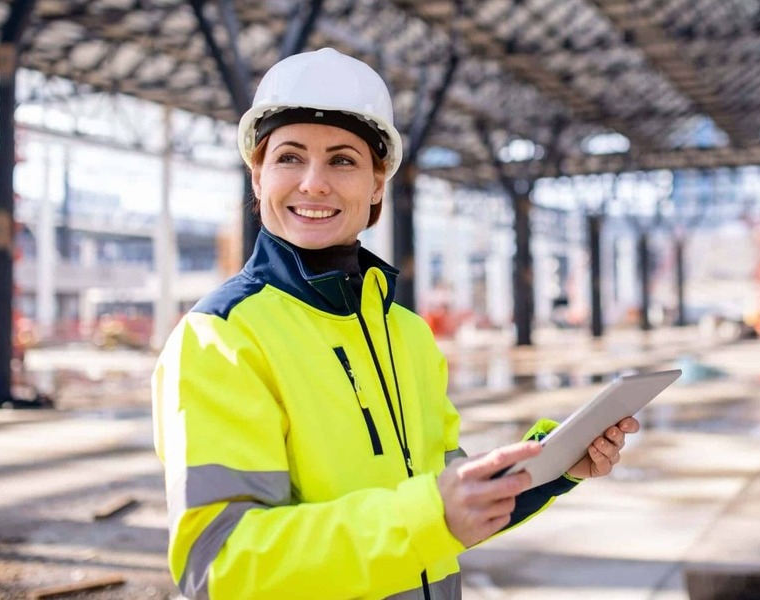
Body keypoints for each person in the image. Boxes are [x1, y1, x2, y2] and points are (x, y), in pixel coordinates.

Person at [151, 47, 640, 600]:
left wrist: (550, 468)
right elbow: (219, 564)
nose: (313, 183)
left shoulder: (404, 332)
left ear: (378, 184)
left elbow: (447, 494)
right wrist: (430, 516)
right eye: (289, 157)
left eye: (342, 160)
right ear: (258, 177)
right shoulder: (221, 337)